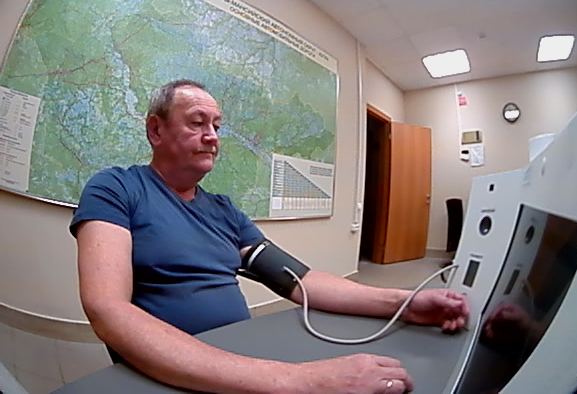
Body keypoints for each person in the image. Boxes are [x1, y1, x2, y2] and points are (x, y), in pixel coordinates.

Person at [70, 79, 469, 394]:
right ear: (156, 130)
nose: (212, 136)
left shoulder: (224, 210)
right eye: (197, 122)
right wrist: (303, 381)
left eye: (216, 126)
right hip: (172, 373)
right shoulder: (116, 189)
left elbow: (299, 281)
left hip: (242, 357)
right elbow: (107, 309)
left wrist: (405, 303)